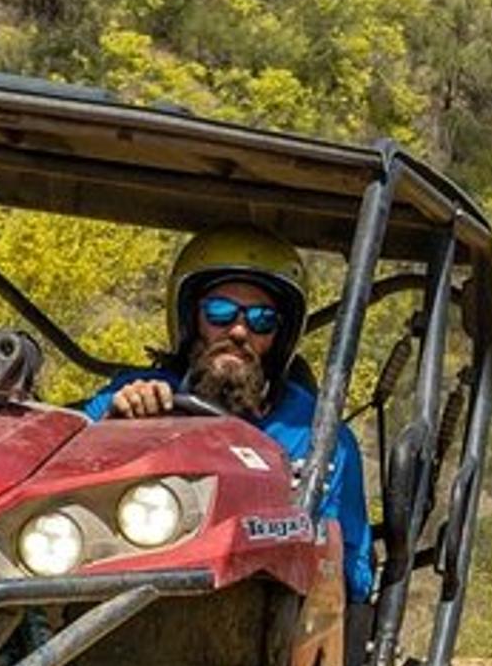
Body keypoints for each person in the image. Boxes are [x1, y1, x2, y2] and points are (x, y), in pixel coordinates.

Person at [81, 227, 375, 603]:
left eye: (261, 319)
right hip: (115, 597)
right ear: (190, 317)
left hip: (263, 616)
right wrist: (116, 429)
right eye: (219, 312)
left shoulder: (319, 436)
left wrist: (298, 539)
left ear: (279, 336)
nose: (238, 331)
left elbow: (353, 570)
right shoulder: (130, 398)